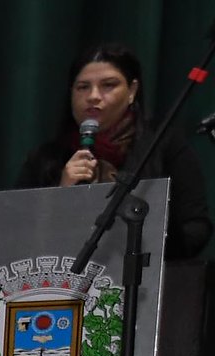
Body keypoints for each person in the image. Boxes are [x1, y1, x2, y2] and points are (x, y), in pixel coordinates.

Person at [16, 42, 212, 259]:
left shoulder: (163, 145)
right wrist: (61, 195)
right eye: (83, 87)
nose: (93, 96)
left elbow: (196, 229)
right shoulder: (45, 158)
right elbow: (16, 232)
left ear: (132, 91)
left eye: (108, 85)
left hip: (142, 280)